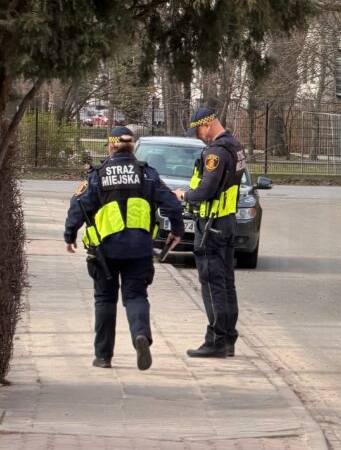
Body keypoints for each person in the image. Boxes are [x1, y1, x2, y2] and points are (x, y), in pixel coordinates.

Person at [65, 126, 184, 370]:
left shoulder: (98, 175)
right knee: (136, 296)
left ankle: (103, 356)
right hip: (139, 249)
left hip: (104, 252)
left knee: (105, 299)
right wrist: (177, 230)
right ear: (132, 148)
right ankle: (140, 335)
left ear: (110, 146)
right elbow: (172, 203)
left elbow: (78, 205)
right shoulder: (147, 174)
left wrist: (70, 235)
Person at [175, 107, 247, 358]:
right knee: (226, 283)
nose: (198, 136)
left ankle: (216, 340)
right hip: (226, 222)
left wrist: (185, 196)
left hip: (212, 225)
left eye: (198, 131)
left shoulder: (216, 152)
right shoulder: (235, 147)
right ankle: (227, 338)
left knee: (211, 282)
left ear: (206, 125)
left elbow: (206, 189)